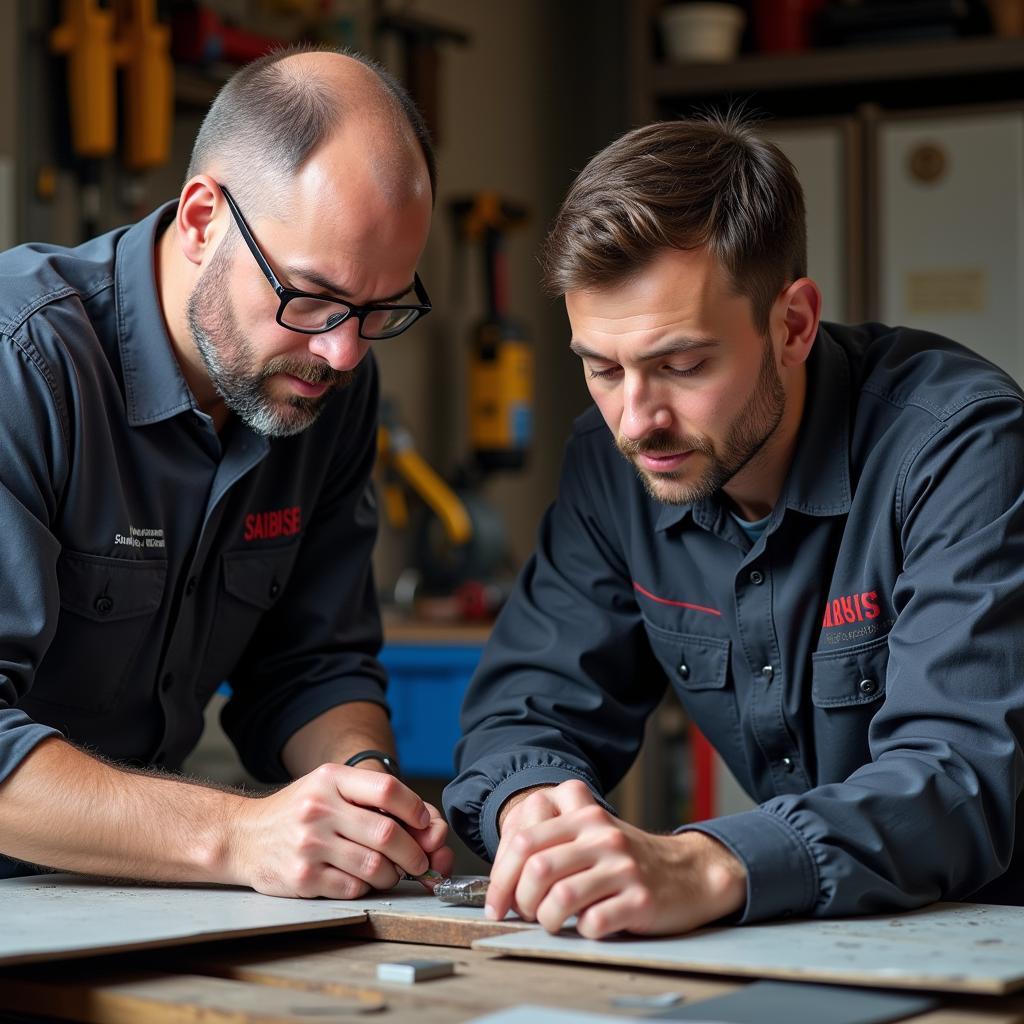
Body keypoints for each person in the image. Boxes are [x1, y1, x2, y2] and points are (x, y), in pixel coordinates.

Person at [443, 112, 1024, 938]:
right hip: (832, 942)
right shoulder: (613, 468)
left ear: (792, 324)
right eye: (601, 368)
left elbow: (958, 780)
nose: (636, 421)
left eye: (682, 366)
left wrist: (703, 862)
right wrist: (536, 811)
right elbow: (527, 710)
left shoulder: (961, 447)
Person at [0, 46, 454, 896]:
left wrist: (362, 794)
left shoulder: (326, 385)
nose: (343, 352)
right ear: (204, 216)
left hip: (117, 899)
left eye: (379, 308)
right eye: (311, 296)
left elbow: (312, 663)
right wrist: (239, 836)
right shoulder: (22, 367)